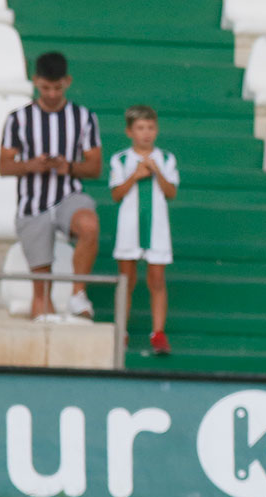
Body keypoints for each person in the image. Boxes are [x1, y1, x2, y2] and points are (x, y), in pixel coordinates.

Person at [0, 51, 101, 320]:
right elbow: (4, 166)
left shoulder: (84, 117)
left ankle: (78, 294)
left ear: (67, 81)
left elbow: (94, 166)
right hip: (33, 202)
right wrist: (31, 165)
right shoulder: (17, 119)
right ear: (35, 82)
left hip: (68, 194)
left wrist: (69, 166)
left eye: (57, 87)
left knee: (89, 224)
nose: (52, 94)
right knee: (41, 289)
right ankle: (47, 336)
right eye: (46, 88)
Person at [108, 104, 179, 355]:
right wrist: (135, 175)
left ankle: (158, 333)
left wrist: (157, 172)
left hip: (157, 228)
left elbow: (171, 192)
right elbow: (116, 194)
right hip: (129, 227)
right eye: (140, 128)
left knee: (157, 280)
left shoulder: (167, 159)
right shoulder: (120, 159)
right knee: (126, 280)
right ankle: (121, 331)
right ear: (129, 132)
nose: (146, 133)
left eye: (150, 127)